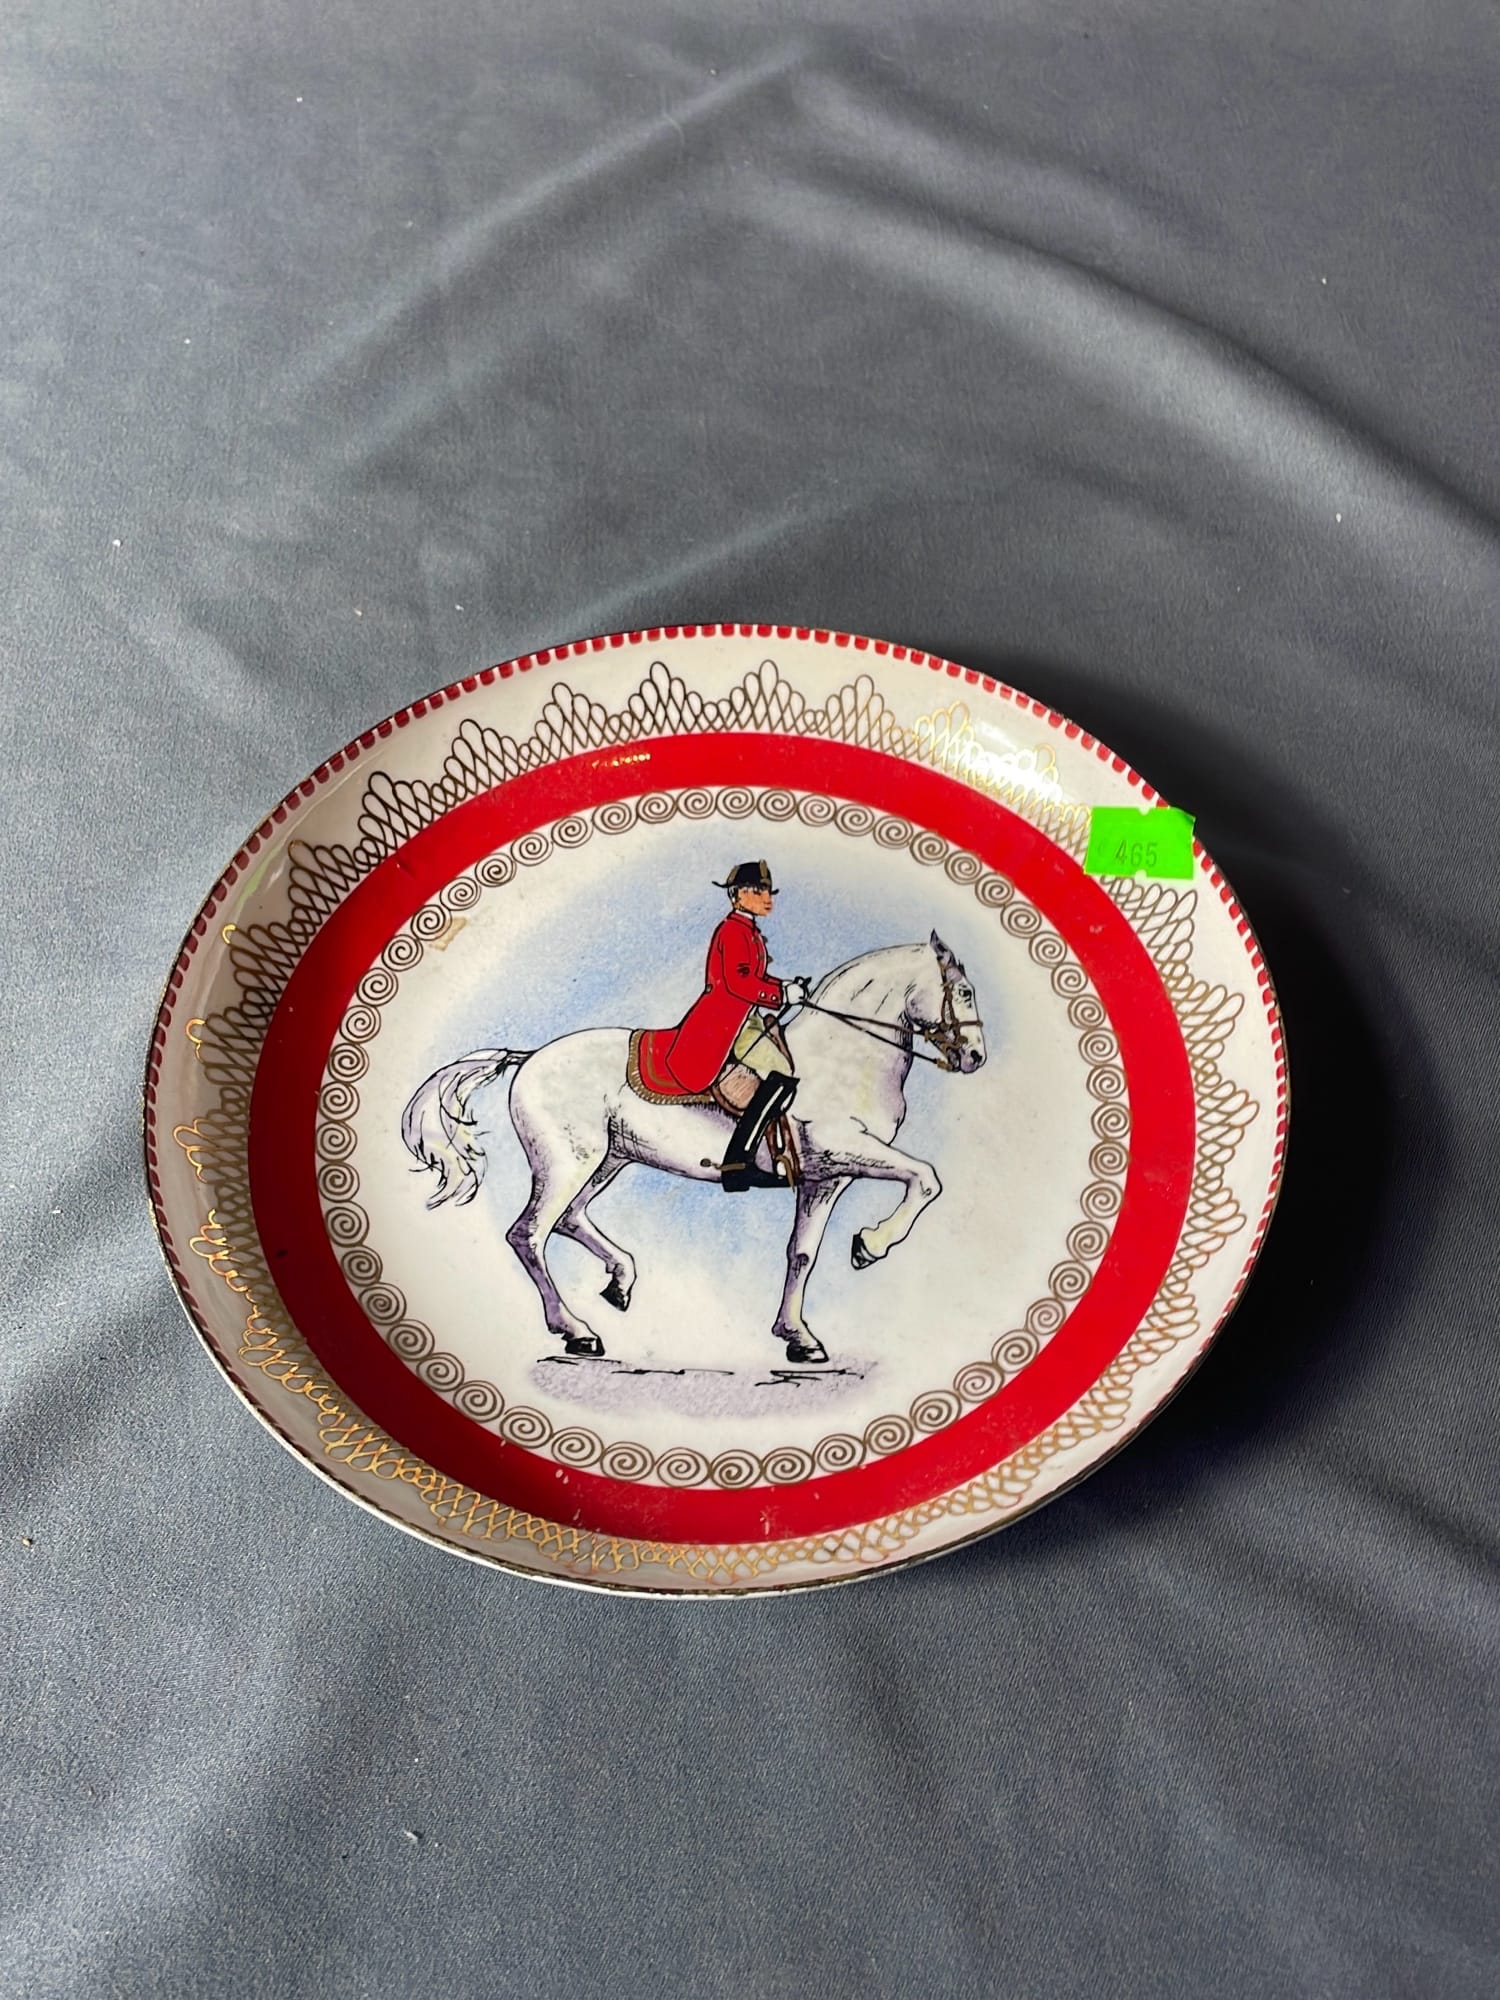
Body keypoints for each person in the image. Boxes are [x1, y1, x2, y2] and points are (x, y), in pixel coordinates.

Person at [661, 861, 810, 1192]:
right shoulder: (733, 931)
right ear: (737, 895)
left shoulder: (749, 930)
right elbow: (738, 982)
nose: (767, 898)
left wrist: (785, 987)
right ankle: (738, 1163)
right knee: (780, 1070)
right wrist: (781, 994)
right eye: (758, 891)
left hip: (746, 1016)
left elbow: (754, 977)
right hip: (726, 1023)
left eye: (768, 891)